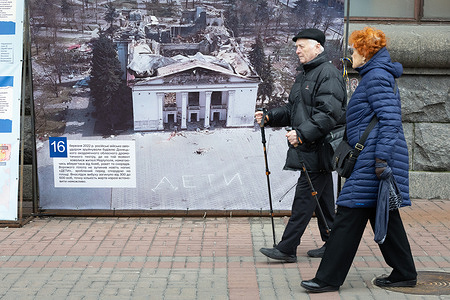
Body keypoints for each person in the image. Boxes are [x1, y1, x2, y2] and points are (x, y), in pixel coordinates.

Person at [301, 27, 417, 292]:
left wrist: (380, 159)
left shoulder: (376, 77)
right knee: (384, 213)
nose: (351, 54)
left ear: (365, 52)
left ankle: (327, 279)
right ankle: (404, 272)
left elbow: (390, 121)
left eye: (354, 49)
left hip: (373, 159)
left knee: (349, 215)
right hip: (375, 157)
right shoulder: (374, 75)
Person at [255, 28, 346, 262]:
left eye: (301, 46)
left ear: (318, 47)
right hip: (312, 147)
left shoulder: (328, 74)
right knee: (322, 199)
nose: (296, 51)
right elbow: (295, 111)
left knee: (305, 199)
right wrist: (270, 117)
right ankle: (334, 244)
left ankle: (287, 248)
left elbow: (329, 114)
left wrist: (301, 134)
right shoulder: (305, 75)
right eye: (296, 47)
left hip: (320, 147)